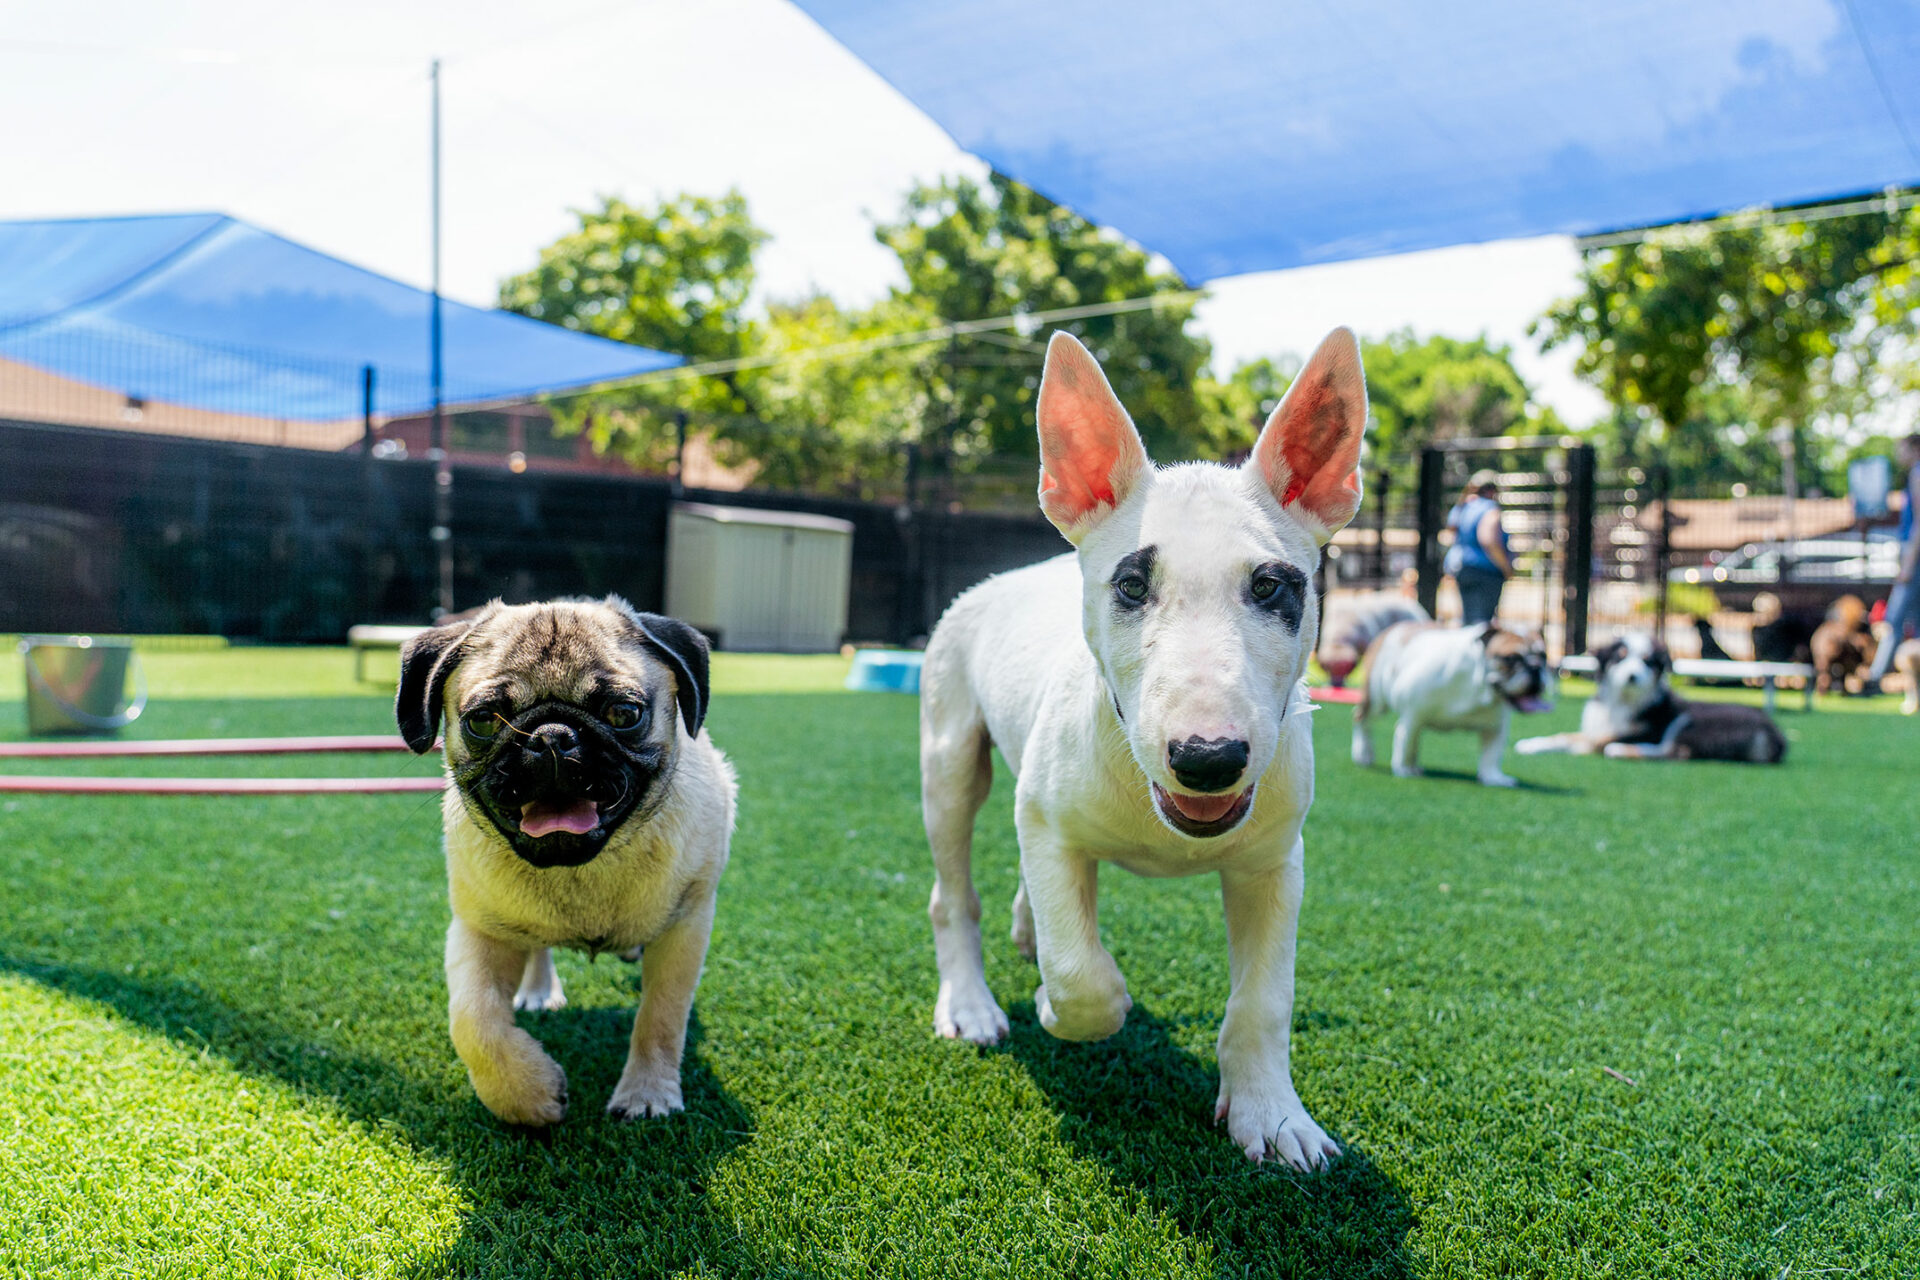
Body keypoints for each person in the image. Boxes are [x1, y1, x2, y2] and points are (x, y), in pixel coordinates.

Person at [1867, 433, 1920, 688]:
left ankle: (1874, 679)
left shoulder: (1918, 473)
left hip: (1915, 559)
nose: (1899, 454)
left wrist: (1908, 564)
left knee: (1893, 620)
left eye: (1902, 448)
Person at [1443, 469, 1512, 625]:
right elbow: (1488, 540)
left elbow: (1451, 532)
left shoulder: (1463, 507)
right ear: (1492, 490)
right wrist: (1505, 567)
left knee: (1468, 619)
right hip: (1485, 573)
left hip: (1463, 570)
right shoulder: (1490, 509)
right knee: (1481, 625)